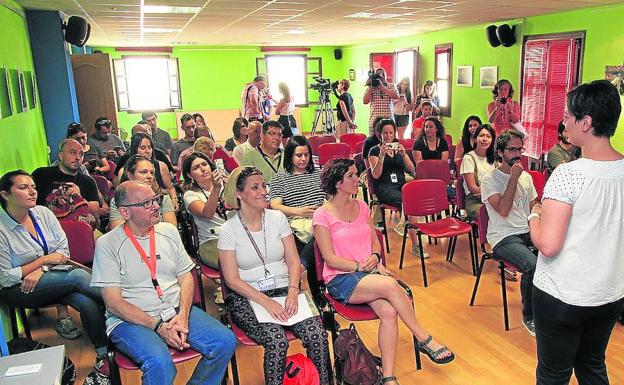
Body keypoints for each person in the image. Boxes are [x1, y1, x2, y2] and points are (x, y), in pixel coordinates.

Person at [313, 159, 454, 385]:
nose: (356, 179)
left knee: (389, 312)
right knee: (390, 286)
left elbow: (375, 242)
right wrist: (361, 266)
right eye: (350, 176)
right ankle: (422, 337)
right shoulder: (322, 214)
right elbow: (329, 258)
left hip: (368, 274)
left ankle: (388, 377)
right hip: (341, 278)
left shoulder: (361, 206)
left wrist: (376, 258)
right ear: (338, 183)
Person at [92, 181, 236, 385]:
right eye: (147, 203)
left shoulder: (168, 231)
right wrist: (158, 326)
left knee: (224, 342)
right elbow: (114, 303)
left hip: (174, 309)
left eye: (156, 199)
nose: (156, 206)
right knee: (159, 363)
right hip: (130, 320)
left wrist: (183, 316)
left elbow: (186, 277)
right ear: (125, 212)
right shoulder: (107, 244)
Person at [529, 80, 624, 385]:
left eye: (568, 115)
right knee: (593, 366)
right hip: (609, 294)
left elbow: (548, 244)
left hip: (563, 296)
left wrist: (535, 214)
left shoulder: (568, 174)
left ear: (586, 122)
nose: (564, 122)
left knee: (553, 375)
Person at [218, 167, 330, 385]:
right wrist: (266, 302)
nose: (263, 191)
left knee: (317, 333)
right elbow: (232, 279)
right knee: (276, 340)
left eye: (264, 186)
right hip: (247, 296)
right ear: (239, 194)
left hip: (284, 289)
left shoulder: (277, 218)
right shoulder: (228, 229)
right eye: (255, 187)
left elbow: (293, 261)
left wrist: (293, 289)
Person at [0, 170, 109, 374]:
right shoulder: (1, 229)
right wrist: (43, 260)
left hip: (50, 276)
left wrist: (41, 269)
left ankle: (104, 355)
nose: (32, 192)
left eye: (33, 186)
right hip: (18, 289)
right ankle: (126, 302)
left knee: (86, 301)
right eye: (23, 187)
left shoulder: (43, 213)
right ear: (5, 194)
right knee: (77, 276)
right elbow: (6, 277)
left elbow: (62, 252)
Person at [480, 129, 538, 336]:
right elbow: (503, 210)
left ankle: (550, 308)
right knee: (532, 265)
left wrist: (541, 219)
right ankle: (529, 317)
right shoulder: (490, 179)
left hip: (527, 231)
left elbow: (534, 206)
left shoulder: (527, 178)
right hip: (503, 237)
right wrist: (513, 178)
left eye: (519, 149)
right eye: (512, 149)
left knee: (555, 254)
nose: (517, 154)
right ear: (500, 152)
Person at [269, 135, 325, 270]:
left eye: (306, 155)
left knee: (321, 235)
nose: (304, 159)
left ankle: (301, 267)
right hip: (294, 223)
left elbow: (332, 197)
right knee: (303, 242)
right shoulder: (280, 178)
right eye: (299, 155)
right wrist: (299, 211)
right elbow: (275, 205)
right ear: (290, 156)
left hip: (320, 221)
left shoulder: (319, 173)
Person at [32, 139, 100, 224]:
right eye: (73, 152)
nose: (78, 157)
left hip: (79, 229)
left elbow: (96, 213)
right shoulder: (41, 174)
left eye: (81, 154)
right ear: (61, 155)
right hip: (45, 227)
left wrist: (80, 198)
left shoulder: (88, 181)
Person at [183, 152, 227, 269]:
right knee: (234, 264)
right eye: (196, 168)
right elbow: (207, 213)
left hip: (238, 236)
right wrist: (216, 188)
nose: (203, 169)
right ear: (190, 175)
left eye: (204, 164)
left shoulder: (226, 185)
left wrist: (233, 187)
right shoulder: (190, 195)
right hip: (212, 241)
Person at [108, 155, 176, 229]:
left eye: (152, 173)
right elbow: (118, 234)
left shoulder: (163, 197)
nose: (150, 176)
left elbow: (171, 230)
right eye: (143, 172)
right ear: (130, 175)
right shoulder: (117, 201)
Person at [116, 133, 178, 211]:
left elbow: (170, 188)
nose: (147, 151)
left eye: (149, 147)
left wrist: (174, 200)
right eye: (143, 148)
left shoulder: (161, 166)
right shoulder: (123, 171)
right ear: (135, 149)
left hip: (160, 205)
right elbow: (121, 195)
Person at [459, 124, 497, 219]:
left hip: (493, 199)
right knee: (493, 215)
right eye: (481, 135)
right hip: (474, 201)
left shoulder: (494, 160)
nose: (484, 139)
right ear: (475, 139)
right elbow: (473, 188)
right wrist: (491, 199)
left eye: (488, 136)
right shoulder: (469, 158)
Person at [363, 68, 399, 133]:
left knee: (389, 142)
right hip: (374, 121)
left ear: (386, 76)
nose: (382, 78)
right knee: (373, 142)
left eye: (383, 76)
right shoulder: (371, 87)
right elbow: (365, 101)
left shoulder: (391, 86)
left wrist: (383, 88)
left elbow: (396, 97)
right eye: (379, 76)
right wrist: (370, 87)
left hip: (388, 121)